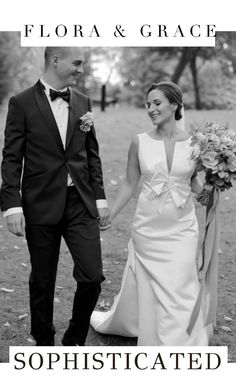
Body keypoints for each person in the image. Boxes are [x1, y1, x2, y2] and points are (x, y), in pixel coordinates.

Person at [0, 47, 110, 346]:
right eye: (77, 63)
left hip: (79, 203)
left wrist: (100, 199)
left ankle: (74, 338)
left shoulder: (84, 101)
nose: (81, 70)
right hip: (40, 203)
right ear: (55, 60)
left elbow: (91, 155)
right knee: (43, 280)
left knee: (92, 276)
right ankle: (44, 340)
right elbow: (11, 158)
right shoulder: (21, 102)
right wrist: (11, 204)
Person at [91, 81, 212, 346]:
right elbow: (129, 183)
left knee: (181, 283)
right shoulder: (139, 142)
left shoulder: (195, 144)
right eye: (148, 104)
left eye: (157, 103)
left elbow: (193, 184)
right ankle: (154, 335)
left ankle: (180, 343)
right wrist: (111, 212)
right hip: (148, 227)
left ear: (175, 104)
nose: (151, 109)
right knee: (152, 286)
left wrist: (213, 187)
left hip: (182, 227)